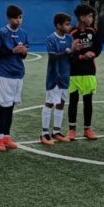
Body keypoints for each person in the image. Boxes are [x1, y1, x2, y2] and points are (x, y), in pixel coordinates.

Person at [0, 4, 29, 151]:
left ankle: (6, 137)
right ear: (8, 18)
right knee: (5, 105)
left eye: (20, 18)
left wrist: (23, 52)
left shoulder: (23, 33)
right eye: (15, 18)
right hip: (4, 74)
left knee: (11, 105)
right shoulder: (1, 33)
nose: (18, 21)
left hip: (18, 73)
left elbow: (23, 56)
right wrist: (12, 51)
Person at [66, 3, 101, 141]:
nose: (92, 19)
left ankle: (87, 129)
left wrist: (93, 53)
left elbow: (98, 47)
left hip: (89, 71)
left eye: (92, 16)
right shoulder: (71, 33)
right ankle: (72, 130)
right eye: (90, 16)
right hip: (74, 72)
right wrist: (81, 56)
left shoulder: (93, 31)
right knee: (73, 101)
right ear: (81, 17)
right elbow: (69, 54)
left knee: (88, 101)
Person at [42, 13, 74, 145]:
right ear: (58, 25)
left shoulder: (70, 38)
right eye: (67, 24)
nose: (69, 26)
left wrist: (74, 51)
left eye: (69, 24)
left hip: (65, 76)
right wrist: (66, 52)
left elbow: (71, 57)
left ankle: (56, 132)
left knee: (61, 103)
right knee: (49, 102)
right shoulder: (51, 38)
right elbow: (52, 56)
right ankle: (44, 134)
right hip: (54, 77)